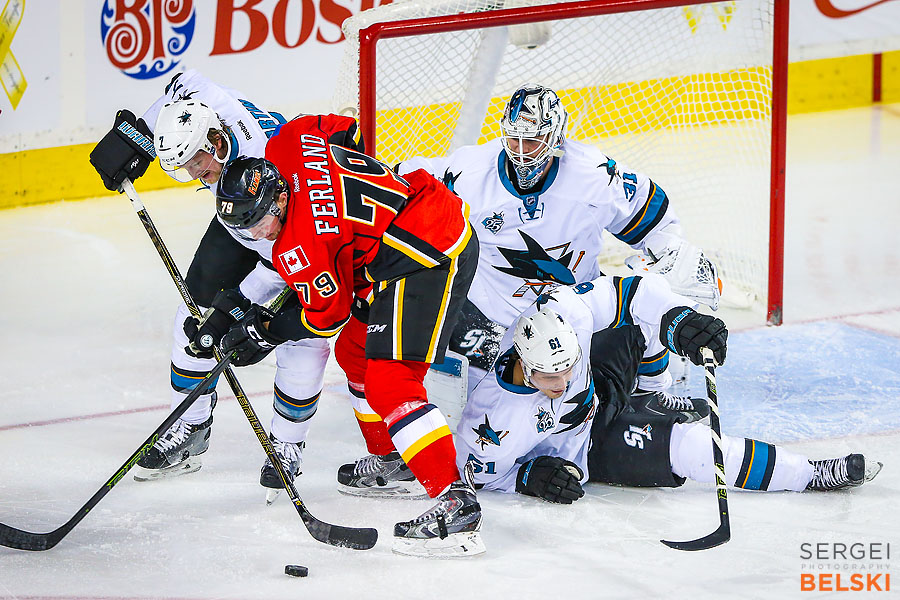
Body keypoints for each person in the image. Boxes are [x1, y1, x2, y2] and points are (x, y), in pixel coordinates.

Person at [336, 82, 720, 495]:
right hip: (484, 328)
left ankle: (653, 395)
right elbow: (400, 193)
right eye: (514, 139)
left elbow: (657, 222)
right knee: (443, 405)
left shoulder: (593, 177)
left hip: (572, 319)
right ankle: (403, 455)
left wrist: (674, 265)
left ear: (556, 138)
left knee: (646, 285)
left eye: (532, 139)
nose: (521, 150)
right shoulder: (469, 173)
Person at [200, 116, 484, 557]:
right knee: (355, 351)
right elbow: (344, 130)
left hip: (429, 250)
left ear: (277, 200)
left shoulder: (302, 244)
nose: (258, 235)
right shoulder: (289, 145)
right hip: (404, 227)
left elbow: (321, 319)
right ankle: (396, 459)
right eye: (247, 230)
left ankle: (454, 501)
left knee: (391, 380)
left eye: (260, 225)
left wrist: (264, 330)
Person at [88, 70, 360, 499]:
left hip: (287, 220)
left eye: (197, 163)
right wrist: (138, 134)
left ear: (215, 142)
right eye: (184, 167)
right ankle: (193, 426)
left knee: (301, 338)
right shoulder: (207, 106)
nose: (195, 174)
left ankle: (287, 446)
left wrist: (251, 315)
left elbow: (282, 267)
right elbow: (181, 82)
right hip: (239, 214)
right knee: (194, 315)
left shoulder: (266, 153)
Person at [455, 276, 882, 504]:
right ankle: (809, 474)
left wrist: (679, 320)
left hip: (601, 387)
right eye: (549, 377)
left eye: (567, 367)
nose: (561, 383)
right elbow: (479, 475)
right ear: (522, 364)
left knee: (643, 316)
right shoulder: (491, 421)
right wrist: (528, 476)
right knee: (694, 448)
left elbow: (636, 288)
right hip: (587, 445)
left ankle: (653, 392)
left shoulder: (566, 314)